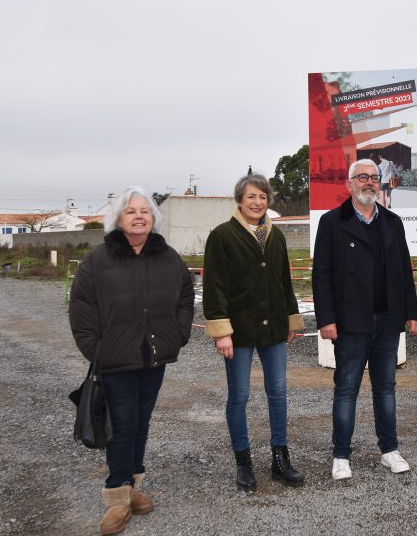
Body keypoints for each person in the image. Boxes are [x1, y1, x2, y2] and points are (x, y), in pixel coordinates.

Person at [69, 186, 195, 535]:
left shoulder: (167, 256)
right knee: (122, 425)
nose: (139, 216)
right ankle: (117, 498)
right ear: (119, 219)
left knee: (141, 422)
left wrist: (179, 332)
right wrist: (96, 349)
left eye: (145, 211)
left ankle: (132, 486)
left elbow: (186, 293)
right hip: (115, 359)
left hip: (153, 357)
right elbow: (80, 308)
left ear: (153, 218)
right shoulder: (100, 259)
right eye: (131, 211)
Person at [312, 158, 417, 481]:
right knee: (346, 389)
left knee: (385, 388)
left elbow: (404, 270)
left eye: (374, 177)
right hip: (350, 322)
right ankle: (341, 455)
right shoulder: (332, 222)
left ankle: (389, 450)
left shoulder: (392, 222)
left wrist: (411, 312)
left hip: (388, 321)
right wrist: (326, 319)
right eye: (363, 177)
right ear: (350, 184)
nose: (370, 182)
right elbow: (322, 276)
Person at [203, 174, 304, 492]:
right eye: (251, 197)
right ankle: (243, 463)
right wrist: (221, 331)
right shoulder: (222, 236)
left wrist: (291, 319)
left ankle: (279, 460)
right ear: (239, 200)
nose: (257, 202)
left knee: (278, 393)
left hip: (274, 327)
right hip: (239, 330)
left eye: (262, 196)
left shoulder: (277, 237)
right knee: (240, 397)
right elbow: (215, 287)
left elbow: (283, 282)